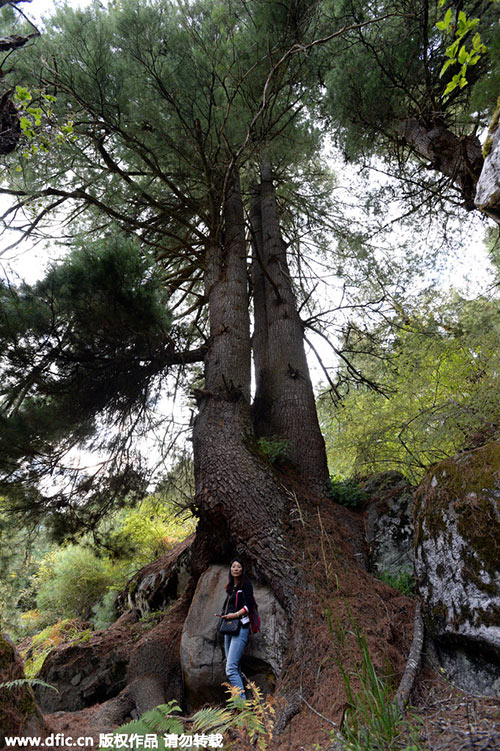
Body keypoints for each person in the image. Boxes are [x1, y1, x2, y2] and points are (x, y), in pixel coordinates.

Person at [219, 557, 254, 698]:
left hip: (241, 627)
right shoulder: (230, 587)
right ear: (230, 569)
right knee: (235, 666)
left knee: (231, 669)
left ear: (242, 569)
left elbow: (249, 606)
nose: (236, 569)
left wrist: (235, 615)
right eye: (233, 566)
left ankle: (243, 707)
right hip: (229, 628)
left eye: (238, 566)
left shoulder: (246, 584)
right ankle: (241, 704)